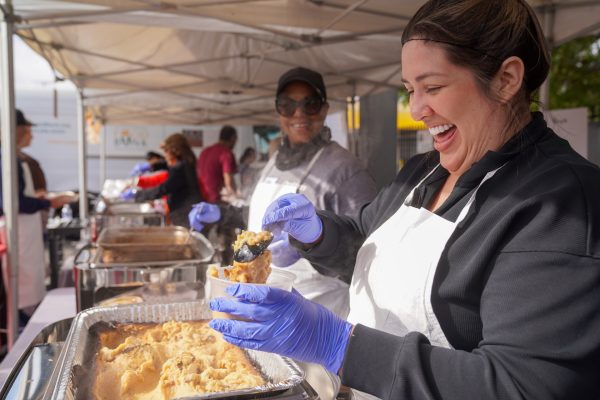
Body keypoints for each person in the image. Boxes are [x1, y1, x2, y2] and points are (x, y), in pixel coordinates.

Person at [208, 1, 600, 399]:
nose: (416, 110)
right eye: (410, 90)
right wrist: (319, 234)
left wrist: (339, 345)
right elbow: (365, 242)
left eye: (432, 88)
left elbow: (523, 386)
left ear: (507, 79)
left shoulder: (560, 205)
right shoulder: (424, 170)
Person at [191, 66, 377, 318]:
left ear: (324, 109)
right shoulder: (276, 159)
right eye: (287, 105)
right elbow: (261, 219)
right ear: (279, 112)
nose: (298, 113)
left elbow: (368, 255)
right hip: (263, 308)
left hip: (318, 314)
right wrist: (223, 215)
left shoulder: (346, 170)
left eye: (309, 104)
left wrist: (310, 247)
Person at [0, 109, 70, 321]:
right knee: (23, 290)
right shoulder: (9, 159)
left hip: (26, 231)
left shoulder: (16, 158)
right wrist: (48, 202)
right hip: (19, 233)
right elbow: (14, 202)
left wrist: (40, 198)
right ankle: (21, 328)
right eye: (28, 130)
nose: (31, 134)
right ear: (16, 130)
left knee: (30, 284)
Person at [127, 133, 201, 228]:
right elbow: (165, 163)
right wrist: (151, 166)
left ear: (175, 151)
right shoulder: (186, 163)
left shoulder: (181, 168)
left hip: (186, 213)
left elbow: (165, 188)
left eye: (166, 151)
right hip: (185, 211)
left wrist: (139, 194)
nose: (165, 155)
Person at [196, 125, 238, 204]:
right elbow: (229, 182)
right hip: (215, 198)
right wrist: (236, 196)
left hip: (201, 197)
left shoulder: (205, 151)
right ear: (233, 138)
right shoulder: (226, 153)